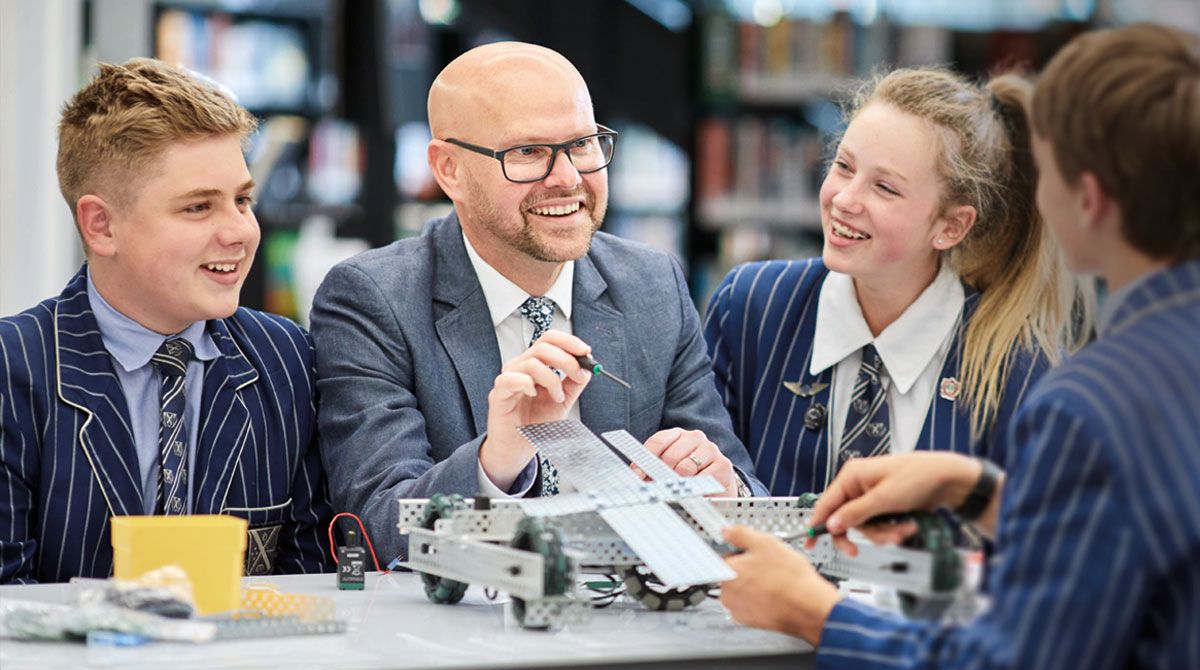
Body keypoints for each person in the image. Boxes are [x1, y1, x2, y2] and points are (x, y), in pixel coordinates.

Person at [719, 23, 1200, 670]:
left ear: (1084, 198)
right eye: (843, 166)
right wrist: (977, 491)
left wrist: (815, 613)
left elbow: (1017, 663)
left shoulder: (1086, 397)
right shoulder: (1164, 361)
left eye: (1047, 169)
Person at [310, 42, 766, 561]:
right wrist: (496, 460)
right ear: (449, 169)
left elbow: (743, 494)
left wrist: (723, 492)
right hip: (455, 632)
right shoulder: (372, 299)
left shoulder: (652, 283)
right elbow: (373, 531)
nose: (568, 177)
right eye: (527, 152)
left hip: (632, 627)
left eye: (583, 144)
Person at [0, 58, 333, 584]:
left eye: (242, 200)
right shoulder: (15, 369)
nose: (240, 232)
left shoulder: (286, 358)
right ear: (101, 225)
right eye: (198, 208)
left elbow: (315, 577)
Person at [703, 66, 1090, 496]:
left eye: (885, 188)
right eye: (844, 166)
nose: (845, 200)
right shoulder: (751, 306)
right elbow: (709, 489)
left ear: (951, 226)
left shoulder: (1018, 365)